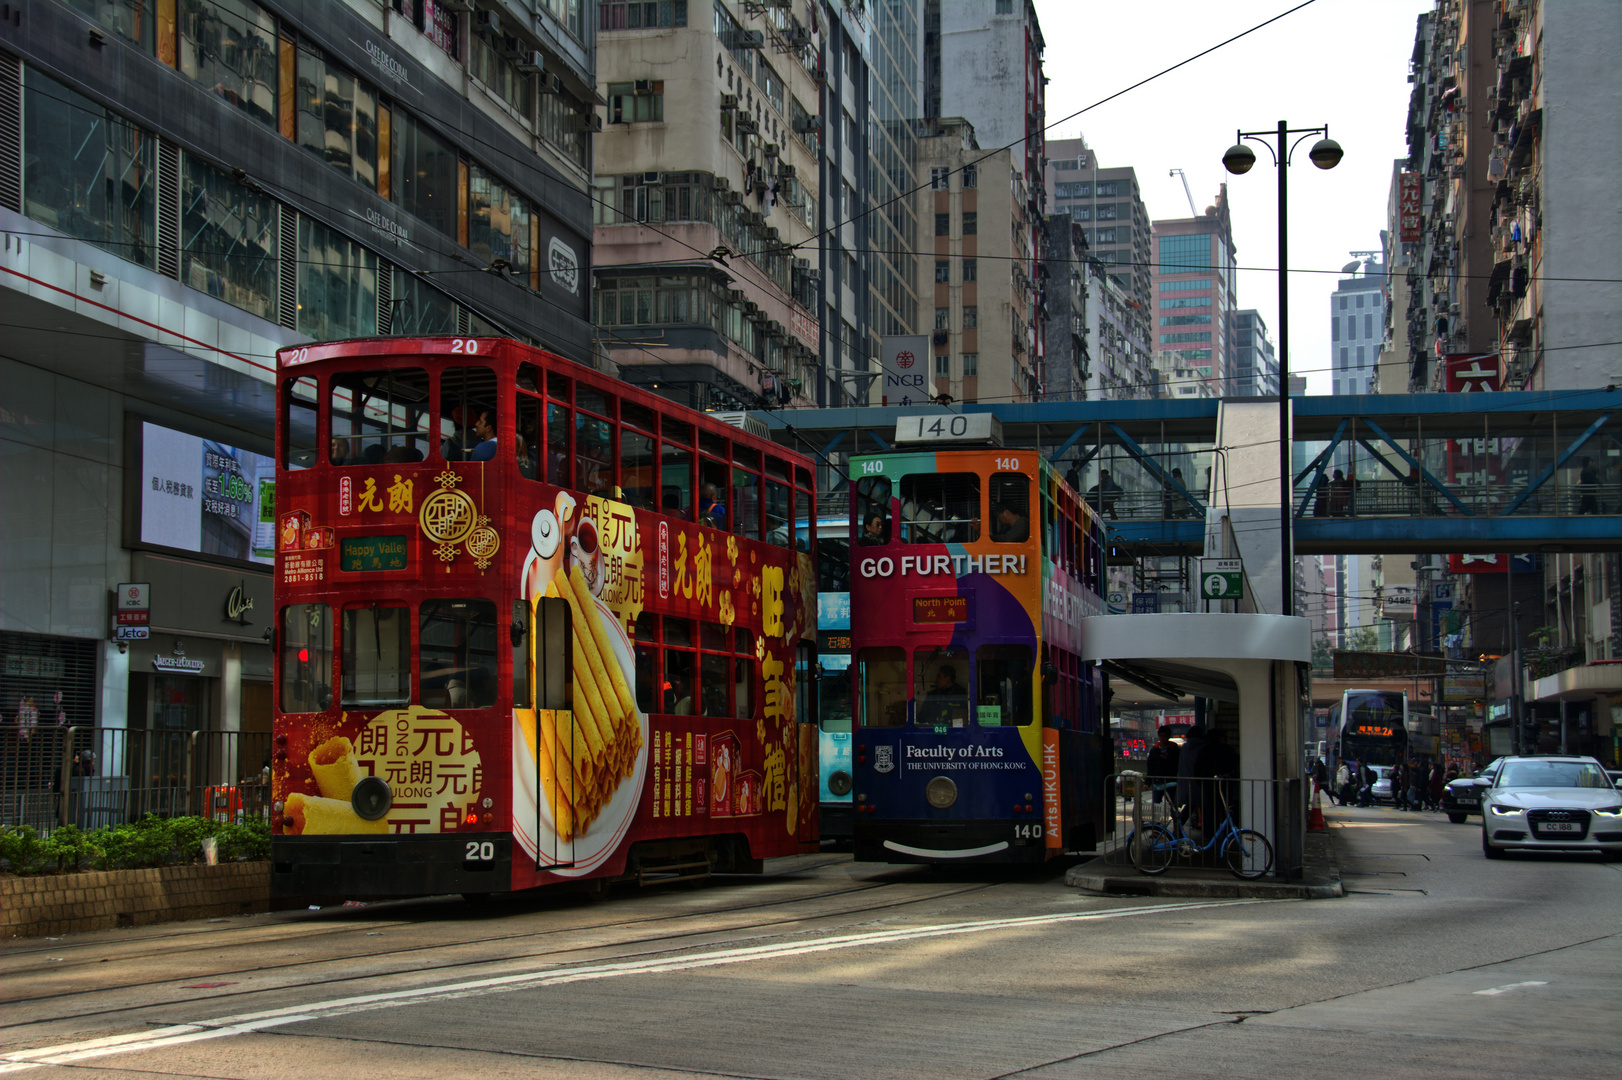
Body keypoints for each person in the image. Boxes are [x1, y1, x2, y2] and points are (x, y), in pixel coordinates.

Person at [1175, 724, 1209, 830]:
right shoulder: (1203, 748)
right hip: (1199, 783)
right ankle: (1207, 832)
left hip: (1185, 782)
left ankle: (1177, 828)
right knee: (1204, 807)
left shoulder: (1184, 748)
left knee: (1190, 806)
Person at [1146, 729, 1180, 806]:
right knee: (1156, 804)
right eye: (1161, 736)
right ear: (1158, 737)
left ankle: (1175, 816)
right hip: (1157, 782)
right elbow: (1150, 766)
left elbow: (1178, 763)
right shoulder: (1154, 750)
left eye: (1165, 736)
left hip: (1171, 781)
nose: (1162, 739)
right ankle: (1157, 818)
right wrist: (1148, 782)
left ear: (1168, 737)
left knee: (1173, 803)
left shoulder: (1174, 749)